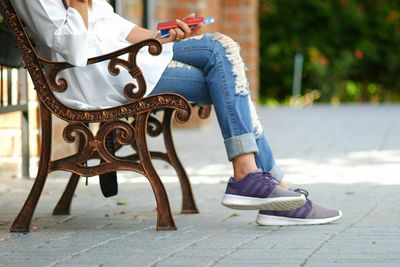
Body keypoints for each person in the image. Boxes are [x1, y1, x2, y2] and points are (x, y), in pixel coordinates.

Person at [12, 0, 341, 225]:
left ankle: (266, 185)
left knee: (224, 59)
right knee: (225, 70)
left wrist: (161, 37)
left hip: (125, 63)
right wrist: (78, 3)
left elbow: (112, 26)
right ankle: (258, 180)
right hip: (102, 78)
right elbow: (75, 50)